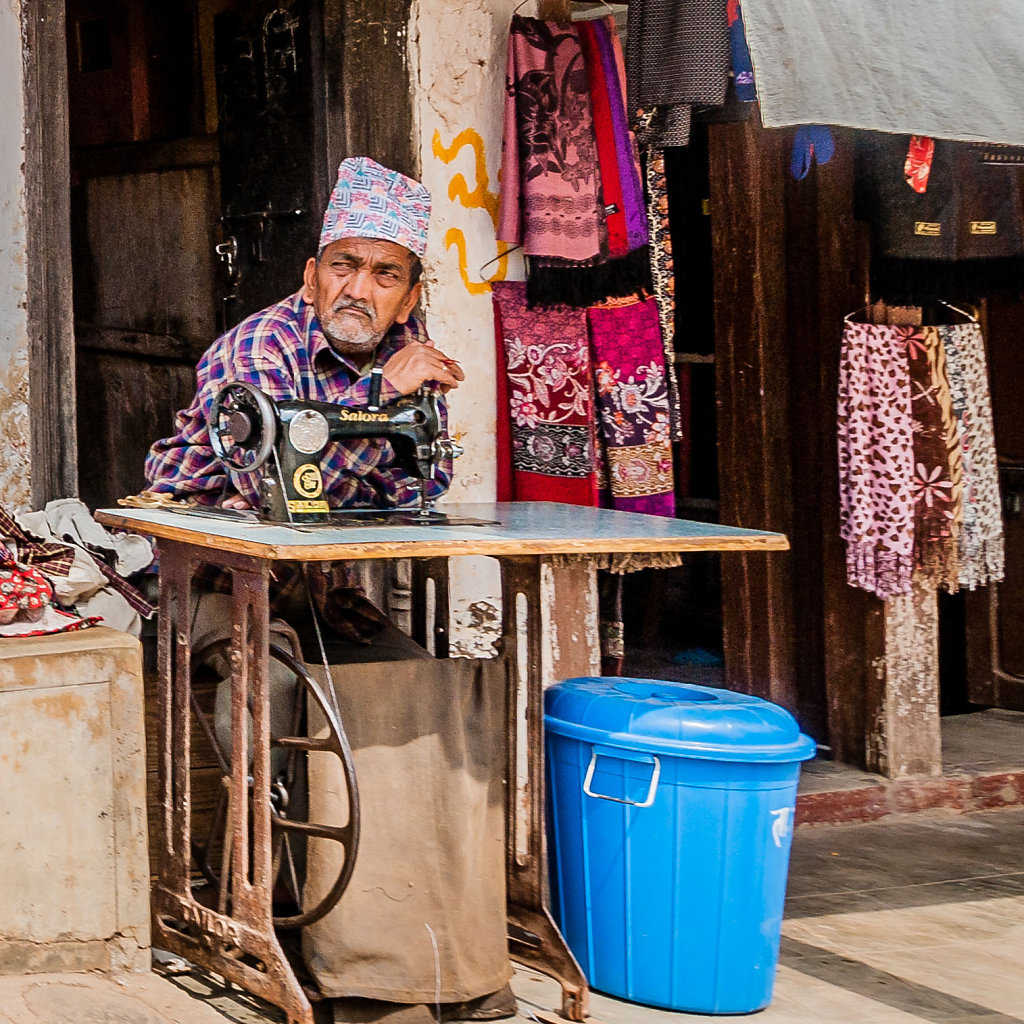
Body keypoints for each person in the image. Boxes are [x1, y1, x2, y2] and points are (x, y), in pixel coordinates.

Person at [145, 158, 515, 1024]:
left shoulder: (411, 362)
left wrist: (412, 422)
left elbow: (416, 495)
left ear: (410, 293)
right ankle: (304, 942)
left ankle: (434, 954)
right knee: (277, 692)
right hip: (209, 585)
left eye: (385, 273)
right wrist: (379, 396)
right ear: (310, 276)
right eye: (344, 265)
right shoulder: (255, 349)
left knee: (428, 688)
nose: (360, 288)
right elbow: (272, 494)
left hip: (317, 594)